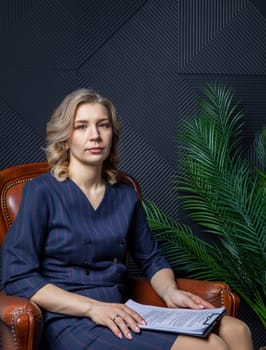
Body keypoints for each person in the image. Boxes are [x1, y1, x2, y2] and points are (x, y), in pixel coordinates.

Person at [2, 88, 253, 350]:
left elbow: (152, 258)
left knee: (238, 331)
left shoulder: (124, 195)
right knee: (210, 347)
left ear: (113, 134)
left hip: (121, 311)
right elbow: (18, 277)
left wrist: (170, 292)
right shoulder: (42, 192)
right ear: (65, 138)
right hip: (70, 319)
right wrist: (92, 308)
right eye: (81, 127)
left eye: (103, 125)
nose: (95, 135)